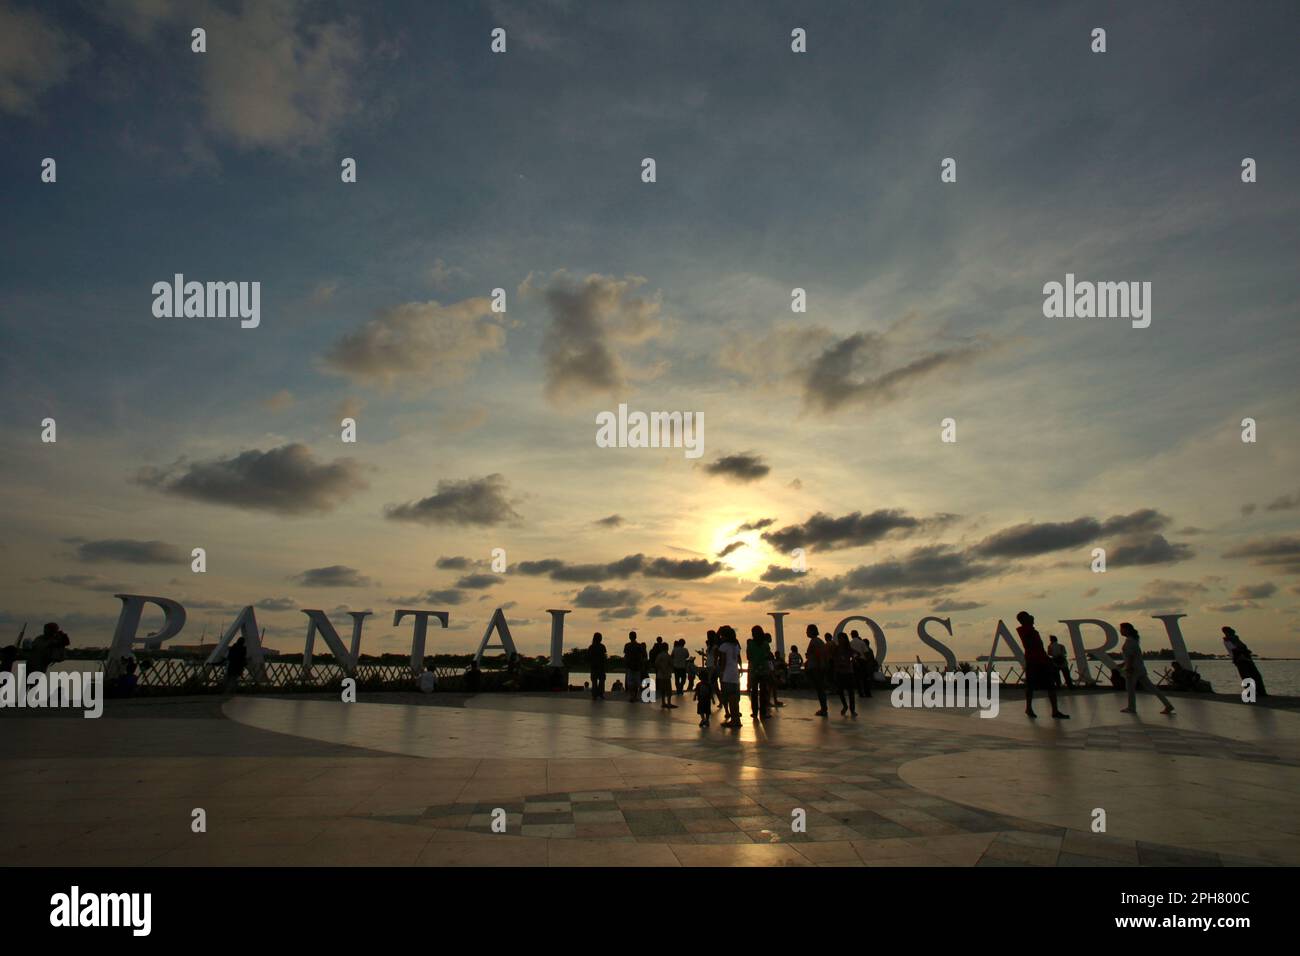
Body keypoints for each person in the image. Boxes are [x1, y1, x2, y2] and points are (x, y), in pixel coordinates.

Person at [1014, 611, 1069, 719]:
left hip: (1040, 661)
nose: (1032, 617)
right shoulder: (1027, 631)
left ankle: (1053, 710)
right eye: (1028, 616)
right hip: (1035, 662)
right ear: (1024, 620)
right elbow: (1034, 646)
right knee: (1036, 686)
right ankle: (1032, 708)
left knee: (1048, 685)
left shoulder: (1029, 631)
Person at [1118, 623, 1174, 715]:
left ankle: (1131, 707)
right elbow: (1132, 656)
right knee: (1152, 688)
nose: (1120, 631)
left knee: (1130, 689)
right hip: (1140, 668)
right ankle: (1168, 705)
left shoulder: (1129, 641)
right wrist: (1123, 664)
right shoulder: (1134, 641)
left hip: (1133, 669)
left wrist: (1128, 668)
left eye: (1122, 629)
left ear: (1127, 630)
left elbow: (1130, 656)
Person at [1222, 627, 1266, 697]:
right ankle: (1253, 693)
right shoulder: (1227, 641)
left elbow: (1240, 648)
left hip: (1246, 659)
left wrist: (1246, 653)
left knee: (1255, 675)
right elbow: (1235, 650)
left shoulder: (1236, 639)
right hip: (1240, 660)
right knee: (1247, 676)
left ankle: (1260, 692)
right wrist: (1243, 655)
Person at [717, 626, 742, 727]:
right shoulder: (736, 646)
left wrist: (721, 672)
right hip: (734, 675)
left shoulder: (724, 646)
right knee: (735, 700)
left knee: (730, 698)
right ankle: (737, 720)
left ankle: (734, 721)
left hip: (727, 675)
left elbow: (723, 661)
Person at [746, 625, 772, 720]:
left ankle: (754, 712)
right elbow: (768, 655)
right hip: (764, 670)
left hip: (754, 670)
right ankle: (763, 713)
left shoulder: (751, 644)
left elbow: (748, 657)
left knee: (754, 692)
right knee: (763, 692)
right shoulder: (765, 644)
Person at [804, 624, 830, 716]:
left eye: (807, 630)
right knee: (820, 689)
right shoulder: (818, 641)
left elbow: (819, 654)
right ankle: (823, 708)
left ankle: (824, 709)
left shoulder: (814, 641)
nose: (806, 632)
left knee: (820, 689)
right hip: (817, 667)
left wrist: (820, 665)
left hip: (816, 668)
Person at [832, 633, 857, 717]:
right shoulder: (836, 649)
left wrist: (852, 659)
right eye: (839, 638)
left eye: (842, 638)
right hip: (839, 672)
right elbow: (833, 658)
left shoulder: (848, 649)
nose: (840, 640)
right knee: (840, 691)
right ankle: (845, 706)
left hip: (848, 672)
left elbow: (856, 654)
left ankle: (852, 709)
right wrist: (838, 664)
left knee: (851, 692)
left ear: (845, 639)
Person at [655, 641, 677, 709]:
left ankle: (663, 702)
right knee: (668, 690)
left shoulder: (659, 655)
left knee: (663, 690)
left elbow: (656, 663)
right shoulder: (667, 656)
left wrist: (661, 669)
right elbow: (672, 664)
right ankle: (669, 703)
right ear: (667, 648)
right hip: (667, 675)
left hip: (660, 675)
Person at [623, 631, 644, 702]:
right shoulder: (639, 645)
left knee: (630, 682)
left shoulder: (627, 645)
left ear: (629, 637)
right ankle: (634, 696)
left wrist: (626, 664)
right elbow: (641, 656)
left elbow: (625, 656)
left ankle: (632, 696)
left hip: (630, 666)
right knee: (636, 682)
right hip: (637, 666)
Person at [589, 632, 607, 700]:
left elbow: (589, 657)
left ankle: (594, 695)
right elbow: (604, 657)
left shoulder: (591, 647)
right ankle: (600, 694)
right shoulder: (602, 646)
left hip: (594, 667)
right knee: (601, 681)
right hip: (600, 666)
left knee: (594, 681)